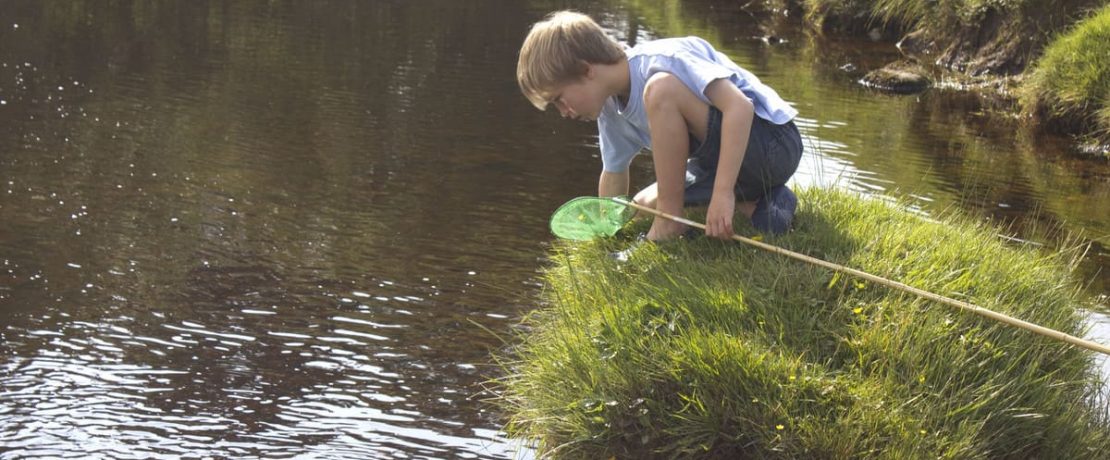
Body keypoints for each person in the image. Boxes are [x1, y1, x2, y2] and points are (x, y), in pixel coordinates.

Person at [516, 10, 803, 241]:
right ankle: (764, 206)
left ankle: (671, 224)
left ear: (586, 70)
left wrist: (721, 193)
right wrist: (607, 230)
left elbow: (739, 107)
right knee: (640, 205)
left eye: (559, 100)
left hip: (772, 143)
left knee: (661, 91)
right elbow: (613, 172)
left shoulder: (661, 62)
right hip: (724, 162)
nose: (564, 112)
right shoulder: (610, 108)